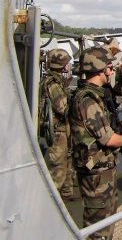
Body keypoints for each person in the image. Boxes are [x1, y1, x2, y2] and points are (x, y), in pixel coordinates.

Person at [70, 46, 122, 240]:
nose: (112, 71)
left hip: (104, 171)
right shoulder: (88, 101)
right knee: (98, 227)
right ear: (100, 69)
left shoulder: (97, 96)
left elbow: (107, 124)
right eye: (109, 67)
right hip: (95, 175)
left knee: (107, 220)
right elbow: (108, 139)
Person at [40, 48, 77, 200]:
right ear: (62, 65)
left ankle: (66, 194)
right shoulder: (53, 83)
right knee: (59, 167)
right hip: (58, 130)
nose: (69, 66)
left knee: (68, 161)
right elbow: (62, 107)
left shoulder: (58, 81)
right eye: (67, 63)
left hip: (64, 129)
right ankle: (50, 199)